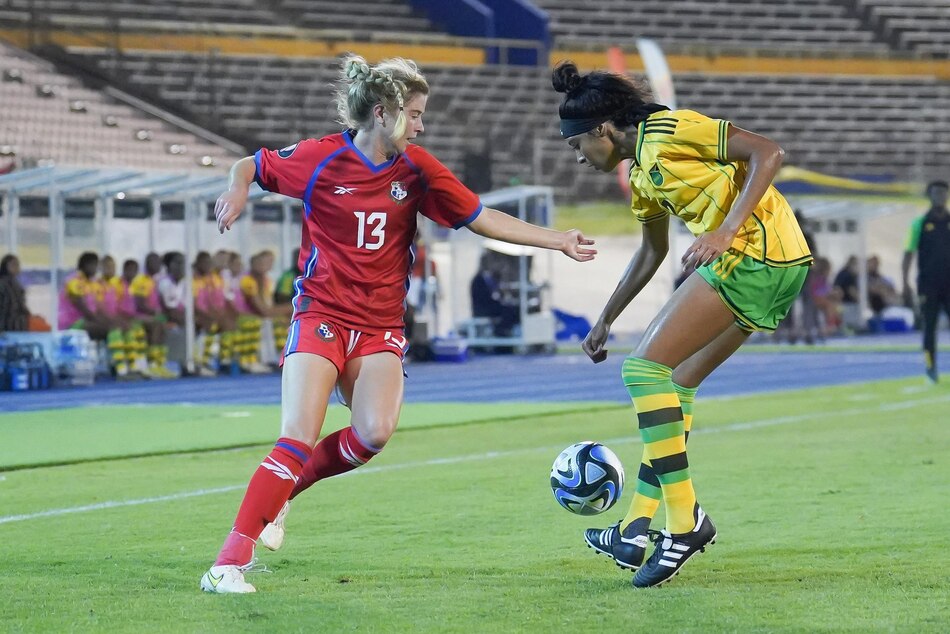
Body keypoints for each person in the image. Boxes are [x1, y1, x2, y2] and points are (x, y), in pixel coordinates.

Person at [199, 54, 595, 594]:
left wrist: (560, 240)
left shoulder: (419, 170)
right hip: (320, 314)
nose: (422, 124)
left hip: (381, 325)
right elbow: (251, 164)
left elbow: (481, 217)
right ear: (382, 113)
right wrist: (239, 188)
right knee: (296, 436)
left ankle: (281, 496)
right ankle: (227, 562)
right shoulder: (319, 158)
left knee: (373, 435)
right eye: (415, 113)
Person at [552, 61, 812, 588]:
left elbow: (768, 152)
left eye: (577, 144)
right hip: (780, 262)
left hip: (754, 254)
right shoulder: (643, 173)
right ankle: (633, 527)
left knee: (643, 373)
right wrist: (606, 318)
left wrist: (724, 232)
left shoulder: (670, 130)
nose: (578, 157)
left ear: (602, 129)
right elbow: (652, 251)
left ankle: (684, 520)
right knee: (676, 383)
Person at [902, 180, 950, 383]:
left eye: (943, 193)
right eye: (936, 193)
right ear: (929, 196)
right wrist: (905, 282)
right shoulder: (919, 224)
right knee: (929, 328)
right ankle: (930, 367)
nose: (940, 196)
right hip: (928, 284)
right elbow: (908, 253)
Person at [470, 250, 520, 337]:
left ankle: (506, 331)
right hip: (483, 310)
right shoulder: (478, 280)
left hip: (490, 306)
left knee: (512, 308)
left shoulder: (490, 278)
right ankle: (501, 332)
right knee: (509, 310)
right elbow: (484, 299)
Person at [0, 254, 30, 332]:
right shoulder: (3, 284)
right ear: (5, 267)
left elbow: (22, 305)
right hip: (9, 324)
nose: (17, 267)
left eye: (17, 265)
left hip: (20, 322)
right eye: (13, 265)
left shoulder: (15, 283)